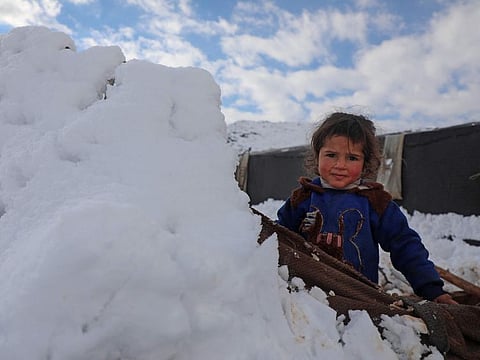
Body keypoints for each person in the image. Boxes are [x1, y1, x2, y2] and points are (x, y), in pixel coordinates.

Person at [276, 112, 456, 304]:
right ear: (317, 155)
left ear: (365, 163)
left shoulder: (374, 201)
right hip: (307, 297)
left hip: (360, 301)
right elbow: (278, 239)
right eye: (331, 155)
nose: (340, 165)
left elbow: (404, 245)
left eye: (352, 158)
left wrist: (431, 289)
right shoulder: (303, 197)